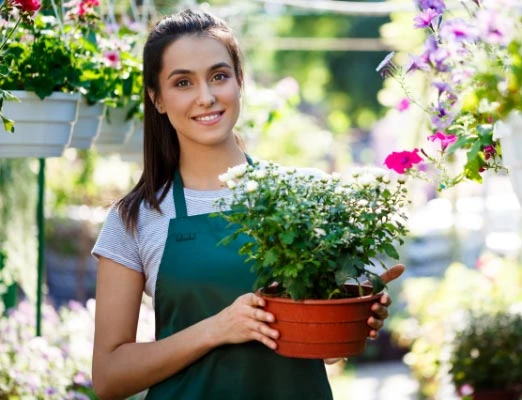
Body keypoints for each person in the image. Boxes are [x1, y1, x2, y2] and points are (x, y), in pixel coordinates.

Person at [91, 8, 396, 400]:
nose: (206, 97)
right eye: (183, 82)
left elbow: (323, 352)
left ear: (239, 82)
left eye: (219, 76)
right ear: (158, 99)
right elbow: (109, 377)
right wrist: (217, 329)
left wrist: (350, 316)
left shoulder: (301, 197)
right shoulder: (136, 218)